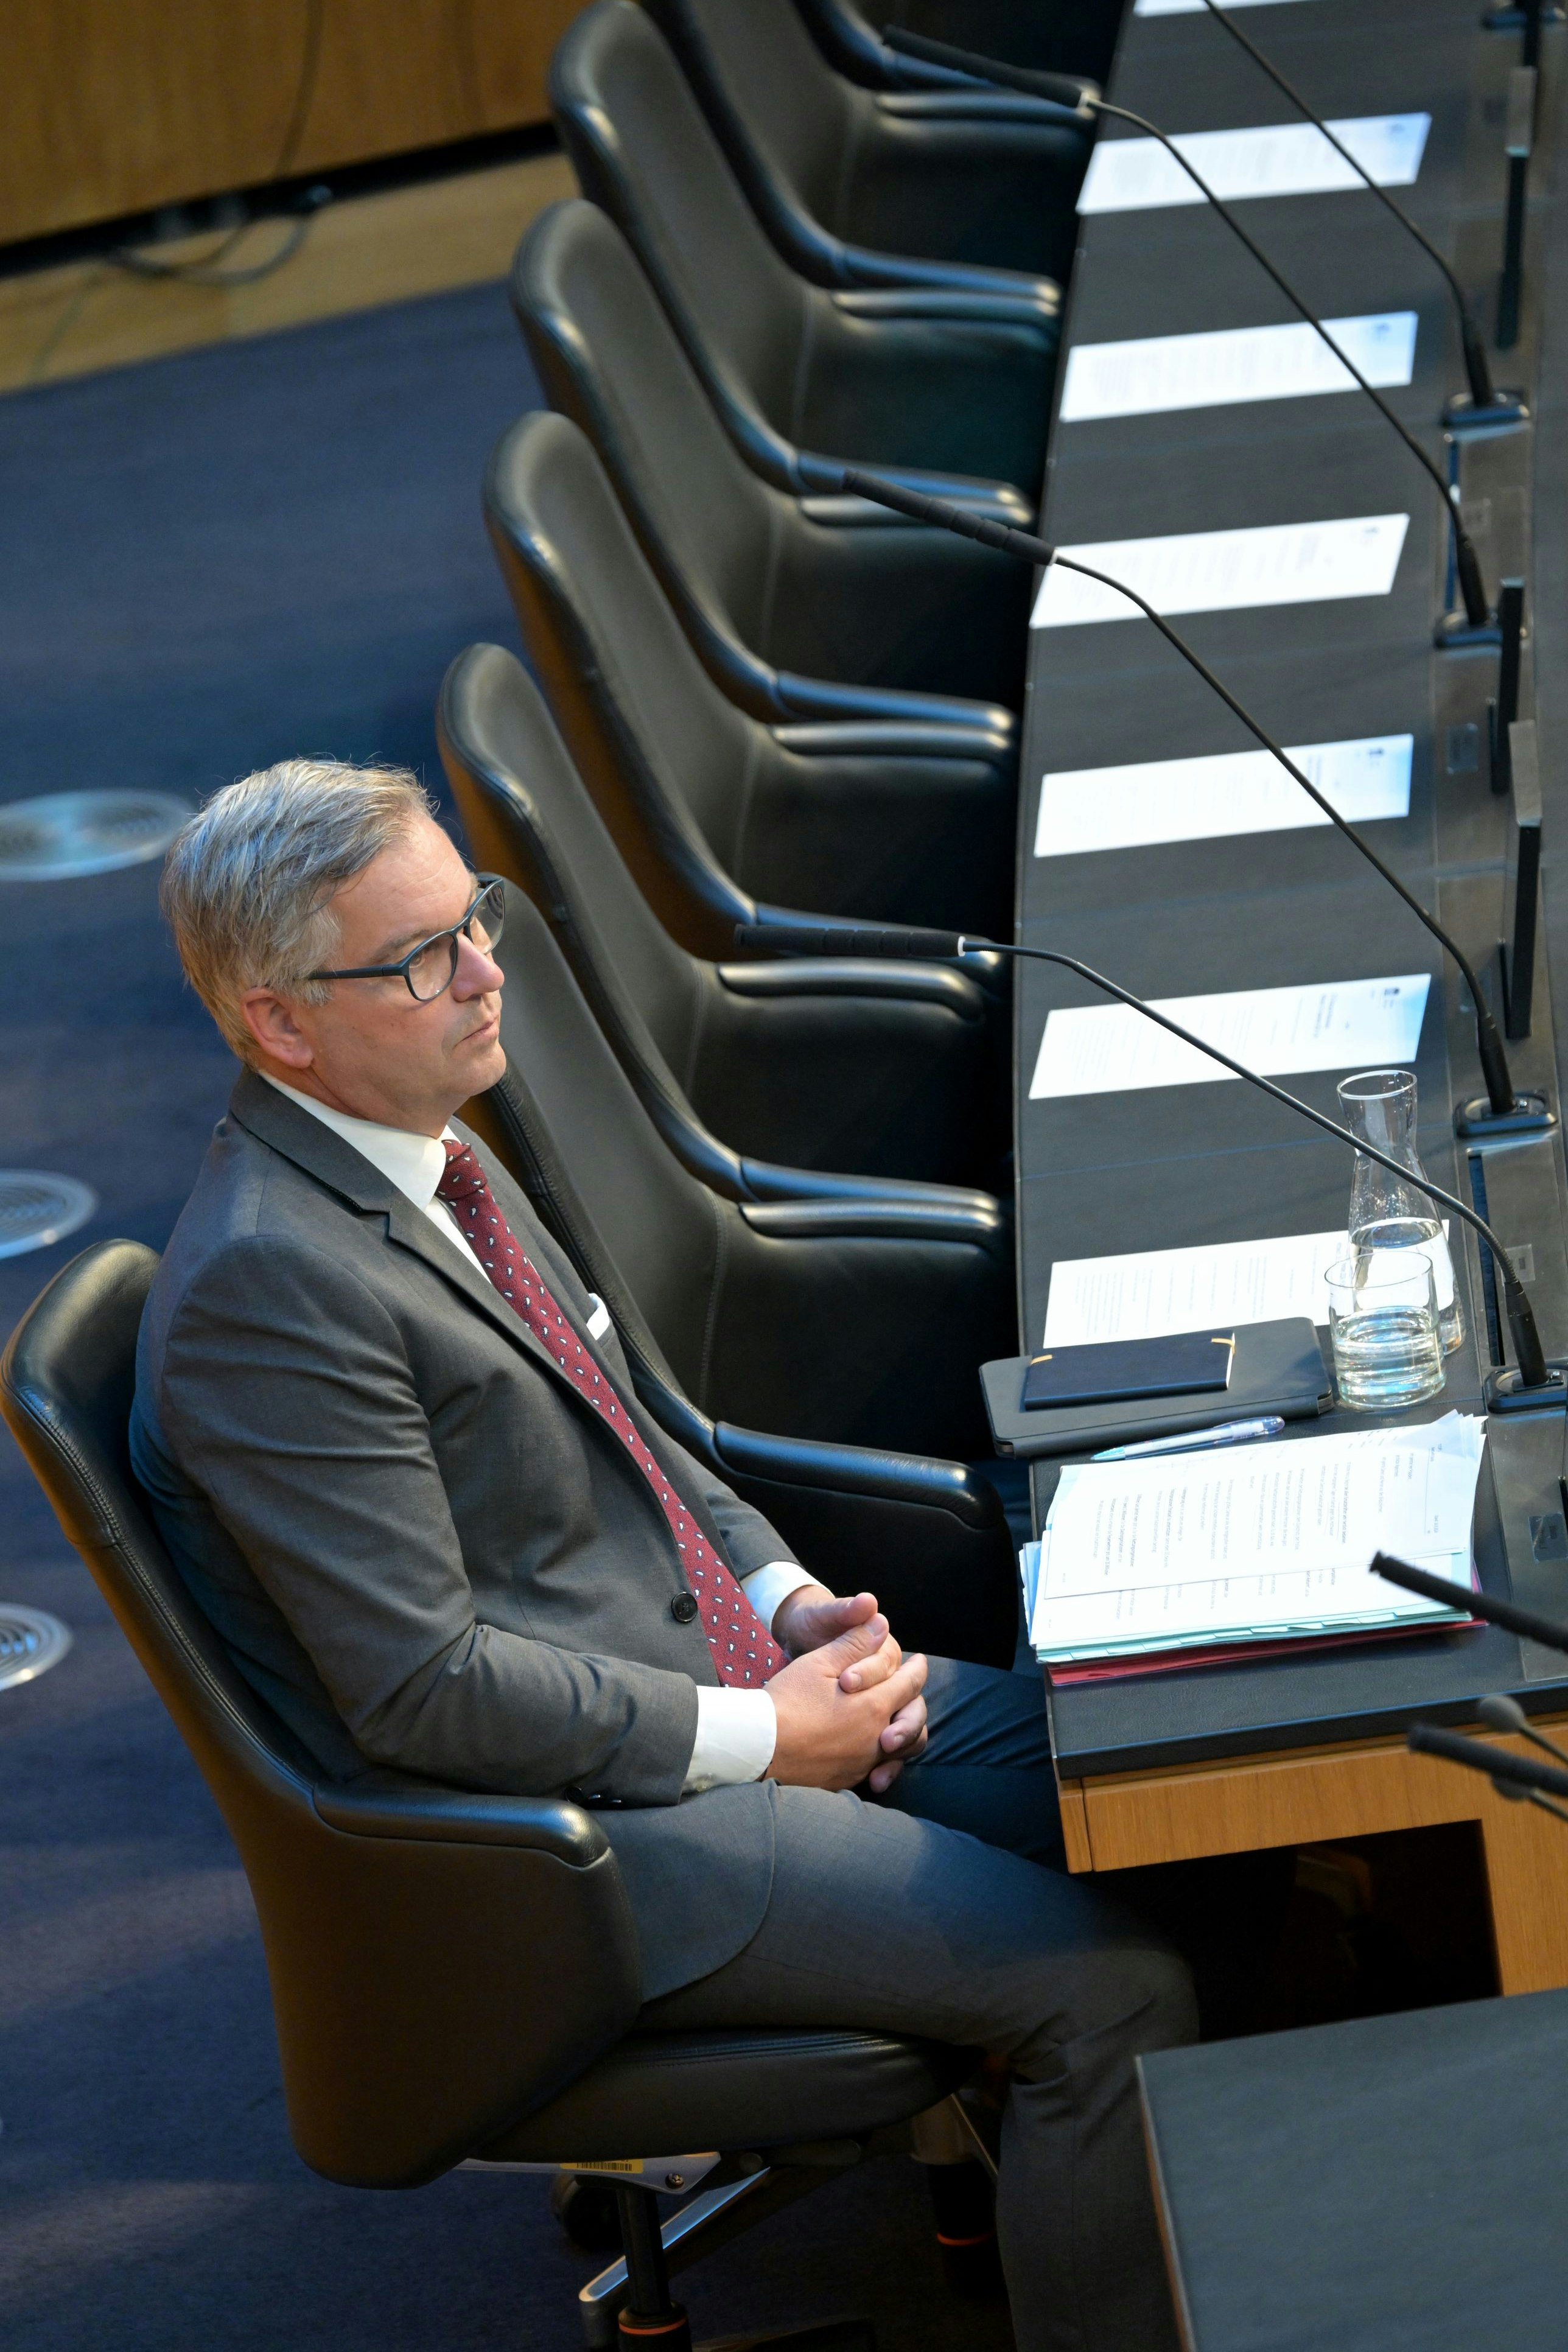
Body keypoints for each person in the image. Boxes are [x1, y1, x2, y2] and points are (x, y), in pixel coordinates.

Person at [131, 758, 1196, 2351]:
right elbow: (423, 1692)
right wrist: (779, 1736)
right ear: (280, 1022)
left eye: (473, 918)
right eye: (422, 955)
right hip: (572, 1841)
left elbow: (643, 1432)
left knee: (1181, 1782)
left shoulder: (427, 1144)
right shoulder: (268, 1293)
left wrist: (786, 1604)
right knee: (1111, 1989)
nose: (489, 973)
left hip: (696, 1683)